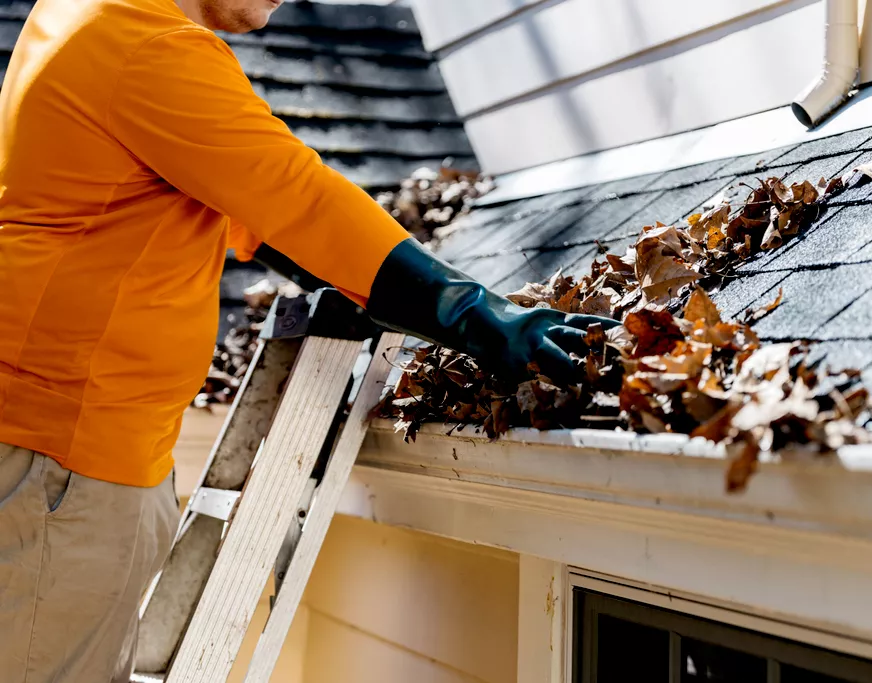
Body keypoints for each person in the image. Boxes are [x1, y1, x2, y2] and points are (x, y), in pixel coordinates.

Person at [0, 0, 612, 680]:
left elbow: (252, 210)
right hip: (60, 471)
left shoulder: (92, 16)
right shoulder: (144, 44)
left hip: (79, 462)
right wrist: (473, 311)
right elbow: (295, 199)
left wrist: (372, 284)